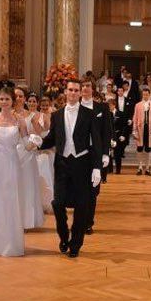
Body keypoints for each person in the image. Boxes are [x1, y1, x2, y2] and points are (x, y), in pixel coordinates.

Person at [40, 79, 102, 258]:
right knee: (58, 203)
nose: (74, 93)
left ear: (80, 92)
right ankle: (63, 235)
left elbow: (96, 142)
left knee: (81, 207)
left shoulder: (88, 114)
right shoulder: (57, 115)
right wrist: (38, 144)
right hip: (62, 164)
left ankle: (76, 244)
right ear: (65, 92)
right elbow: (52, 138)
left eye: (77, 90)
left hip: (82, 164)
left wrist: (97, 167)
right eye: (71, 90)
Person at [0, 87, 41, 257]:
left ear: (13, 101)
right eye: (1, 99)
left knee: (10, 200)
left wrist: (35, 141)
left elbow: (26, 144)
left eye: (7, 99)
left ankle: (9, 242)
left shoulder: (19, 120)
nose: (4, 102)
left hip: (12, 163)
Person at [80, 79, 111, 234]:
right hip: (78, 154)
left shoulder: (102, 108)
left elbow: (106, 132)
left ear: (93, 89)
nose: (85, 88)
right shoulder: (74, 108)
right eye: (83, 86)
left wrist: (105, 153)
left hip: (95, 154)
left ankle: (88, 222)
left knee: (93, 190)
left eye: (87, 86)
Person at [15, 89, 44, 229]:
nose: (18, 98)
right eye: (15, 96)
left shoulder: (31, 115)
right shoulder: (7, 114)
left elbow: (38, 135)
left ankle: (26, 220)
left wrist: (32, 143)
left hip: (26, 153)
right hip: (11, 152)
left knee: (26, 185)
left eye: (21, 96)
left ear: (24, 99)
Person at [132, 88, 151, 176]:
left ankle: (147, 168)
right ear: (142, 95)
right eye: (144, 94)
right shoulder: (138, 105)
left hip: (149, 129)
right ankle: (139, 167)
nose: (145, 96)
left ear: (149, 95)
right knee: (139, 148)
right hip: (140, 129)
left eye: (147, 94)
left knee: (148, 149)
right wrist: (134, 129)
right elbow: (135, 118)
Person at [35, 96, 55, 214]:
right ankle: (41, 201)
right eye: (42, 106)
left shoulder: (54, 116)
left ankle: (51, 200)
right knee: (42, 175)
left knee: (51, 174)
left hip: (51, 150)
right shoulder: (37, 116)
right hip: (40, 150)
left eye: (46, 105)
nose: (44, 108)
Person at [109, 99, 128, 174]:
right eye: (108, 105)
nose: (109, 107)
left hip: (118, 136)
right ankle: (109, 170)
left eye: (110, 105)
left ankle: (118, 170)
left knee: (118, 154)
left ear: (114, 105)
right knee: (109, 153)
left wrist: (123, 135)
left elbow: (124, 125)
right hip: (110, 136)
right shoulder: (107, 114)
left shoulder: (120, 113)